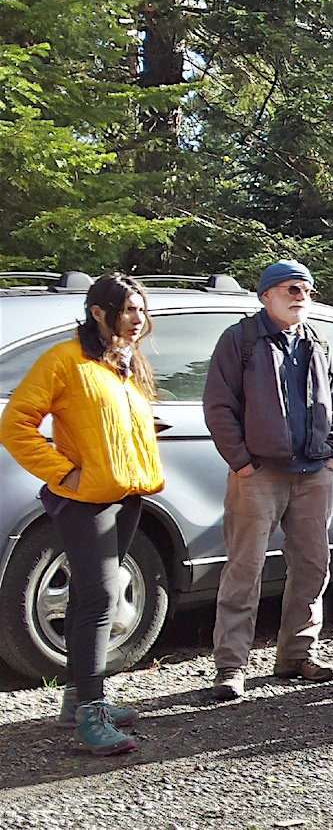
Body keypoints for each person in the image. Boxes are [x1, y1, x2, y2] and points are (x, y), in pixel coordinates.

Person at [1, 274, 161, 755]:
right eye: (129, 310)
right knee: (98, 599)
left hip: (127, 494)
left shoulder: (121, 364)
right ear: (98, 312)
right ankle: (91, 713)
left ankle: (76, 701)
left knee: (93, 599)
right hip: (84, 499)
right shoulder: (64, 360)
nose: (139, 320)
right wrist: (62, 472)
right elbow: (16, 425)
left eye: (141, 310)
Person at [203, 260, 333, 701]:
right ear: (266, 295)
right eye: (290, 288)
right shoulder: (240, 339)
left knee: (312, 566)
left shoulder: (318, 341)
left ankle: (297, 655)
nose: (300, 295)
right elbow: (218, 406)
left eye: (305, 289)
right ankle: (231, 667)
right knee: (245, 570)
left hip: (313, 473)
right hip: (259, 473)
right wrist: (242, 462)